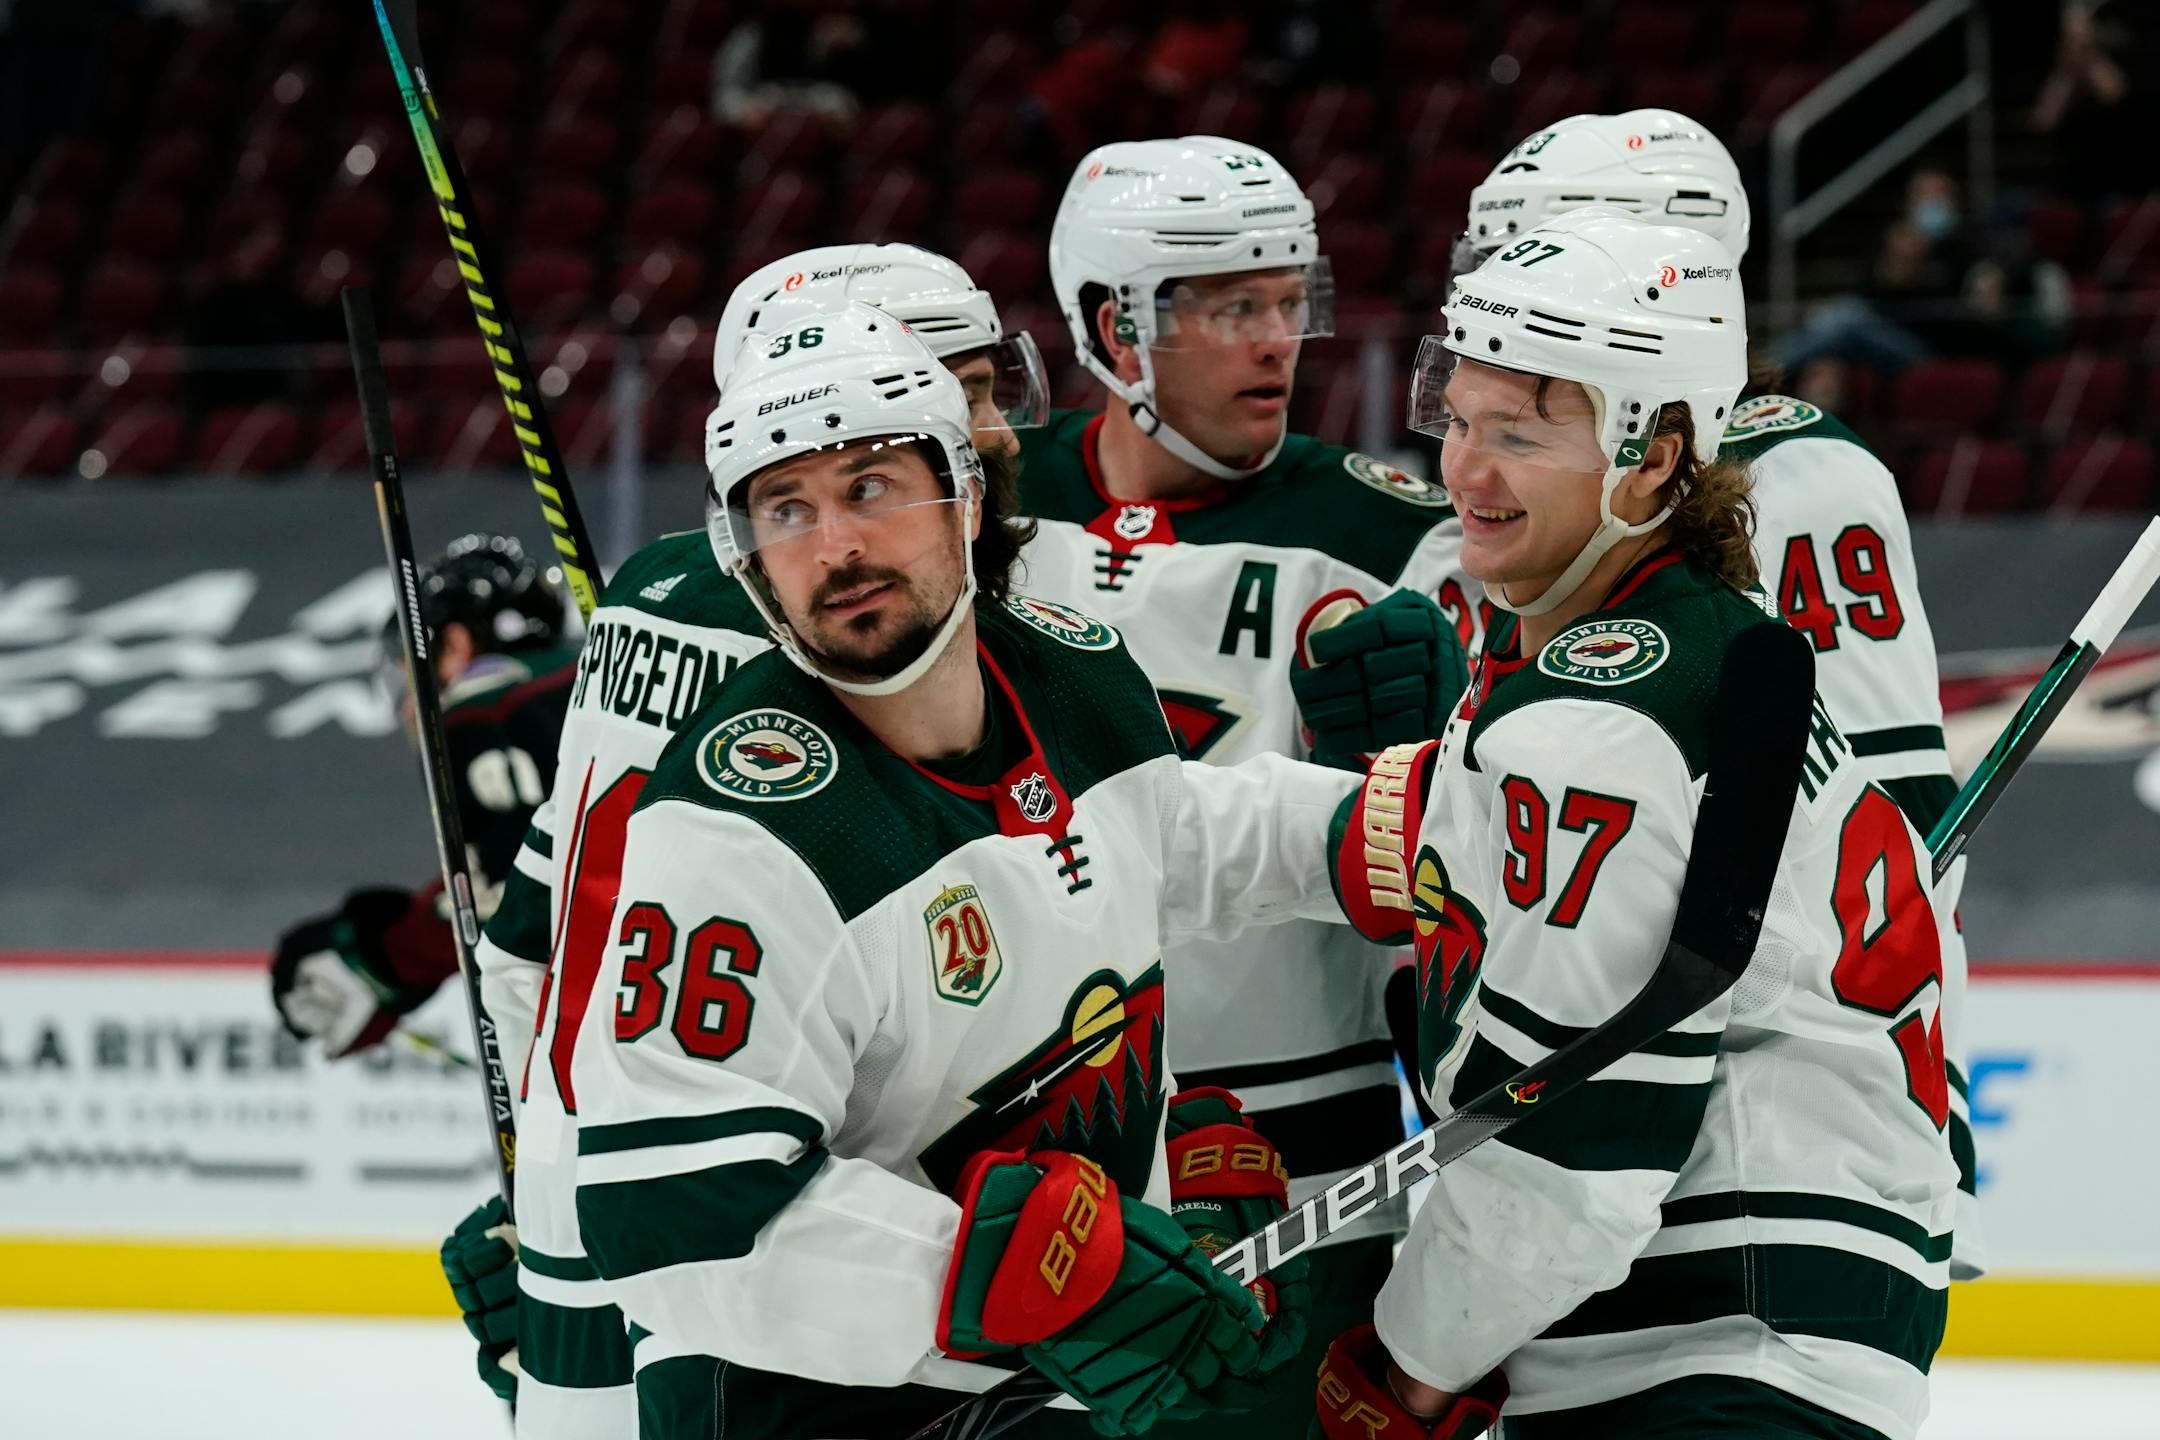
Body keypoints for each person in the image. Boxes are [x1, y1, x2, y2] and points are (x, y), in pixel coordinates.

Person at [566, 300, 1356, 1436]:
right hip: (820, 1409)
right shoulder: (735, 831)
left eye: (872, 487)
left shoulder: (1069, 674)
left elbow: (1167, 837)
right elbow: (674, 1222)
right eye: (785, 509)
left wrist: (1381, 833)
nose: (833, 546)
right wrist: (1008, 1274)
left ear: (967, 493)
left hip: (1052, 1392)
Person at [1314, 211, 1959, 1440]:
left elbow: (1575, 1154)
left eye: (1520, 433)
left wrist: (1406, 1369)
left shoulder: (1603, 717)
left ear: (1655, 457)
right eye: (1456, 420)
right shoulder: (1678, 659)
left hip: (1712, 1345)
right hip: (1760, 1334)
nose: (1465, 473)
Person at [450, 248, 1053, 1434]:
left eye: (987, 393)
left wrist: (539, 1176)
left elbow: (532, 943)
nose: (990, 433)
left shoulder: (650, 593)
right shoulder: (869, 630)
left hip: (597, 1200)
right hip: (793, 1238)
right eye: (954, 393)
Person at [1450, 108, 1984, 1275]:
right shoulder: (1561, 498)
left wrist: (1908, 1068)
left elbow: (1894, 825)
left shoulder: (1801, 474)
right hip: (1606, 1100)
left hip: (1745, 1135)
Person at [1025, 134, 1470, 1435]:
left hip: (1300, 1162)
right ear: (1114, 326)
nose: (1280, 342)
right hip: (1025, 1164)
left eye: (1292, 302)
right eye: (1232, 307)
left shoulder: (1401, 540)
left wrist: (1414, 783)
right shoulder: (970, 519)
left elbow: (1453, 890)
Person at [269, 533, 573, 1060]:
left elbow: (524, 893)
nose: (406, 707)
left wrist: (376, 958)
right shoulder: (607, 679)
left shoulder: (479, 714)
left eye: (406, 669)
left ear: (454, 647)